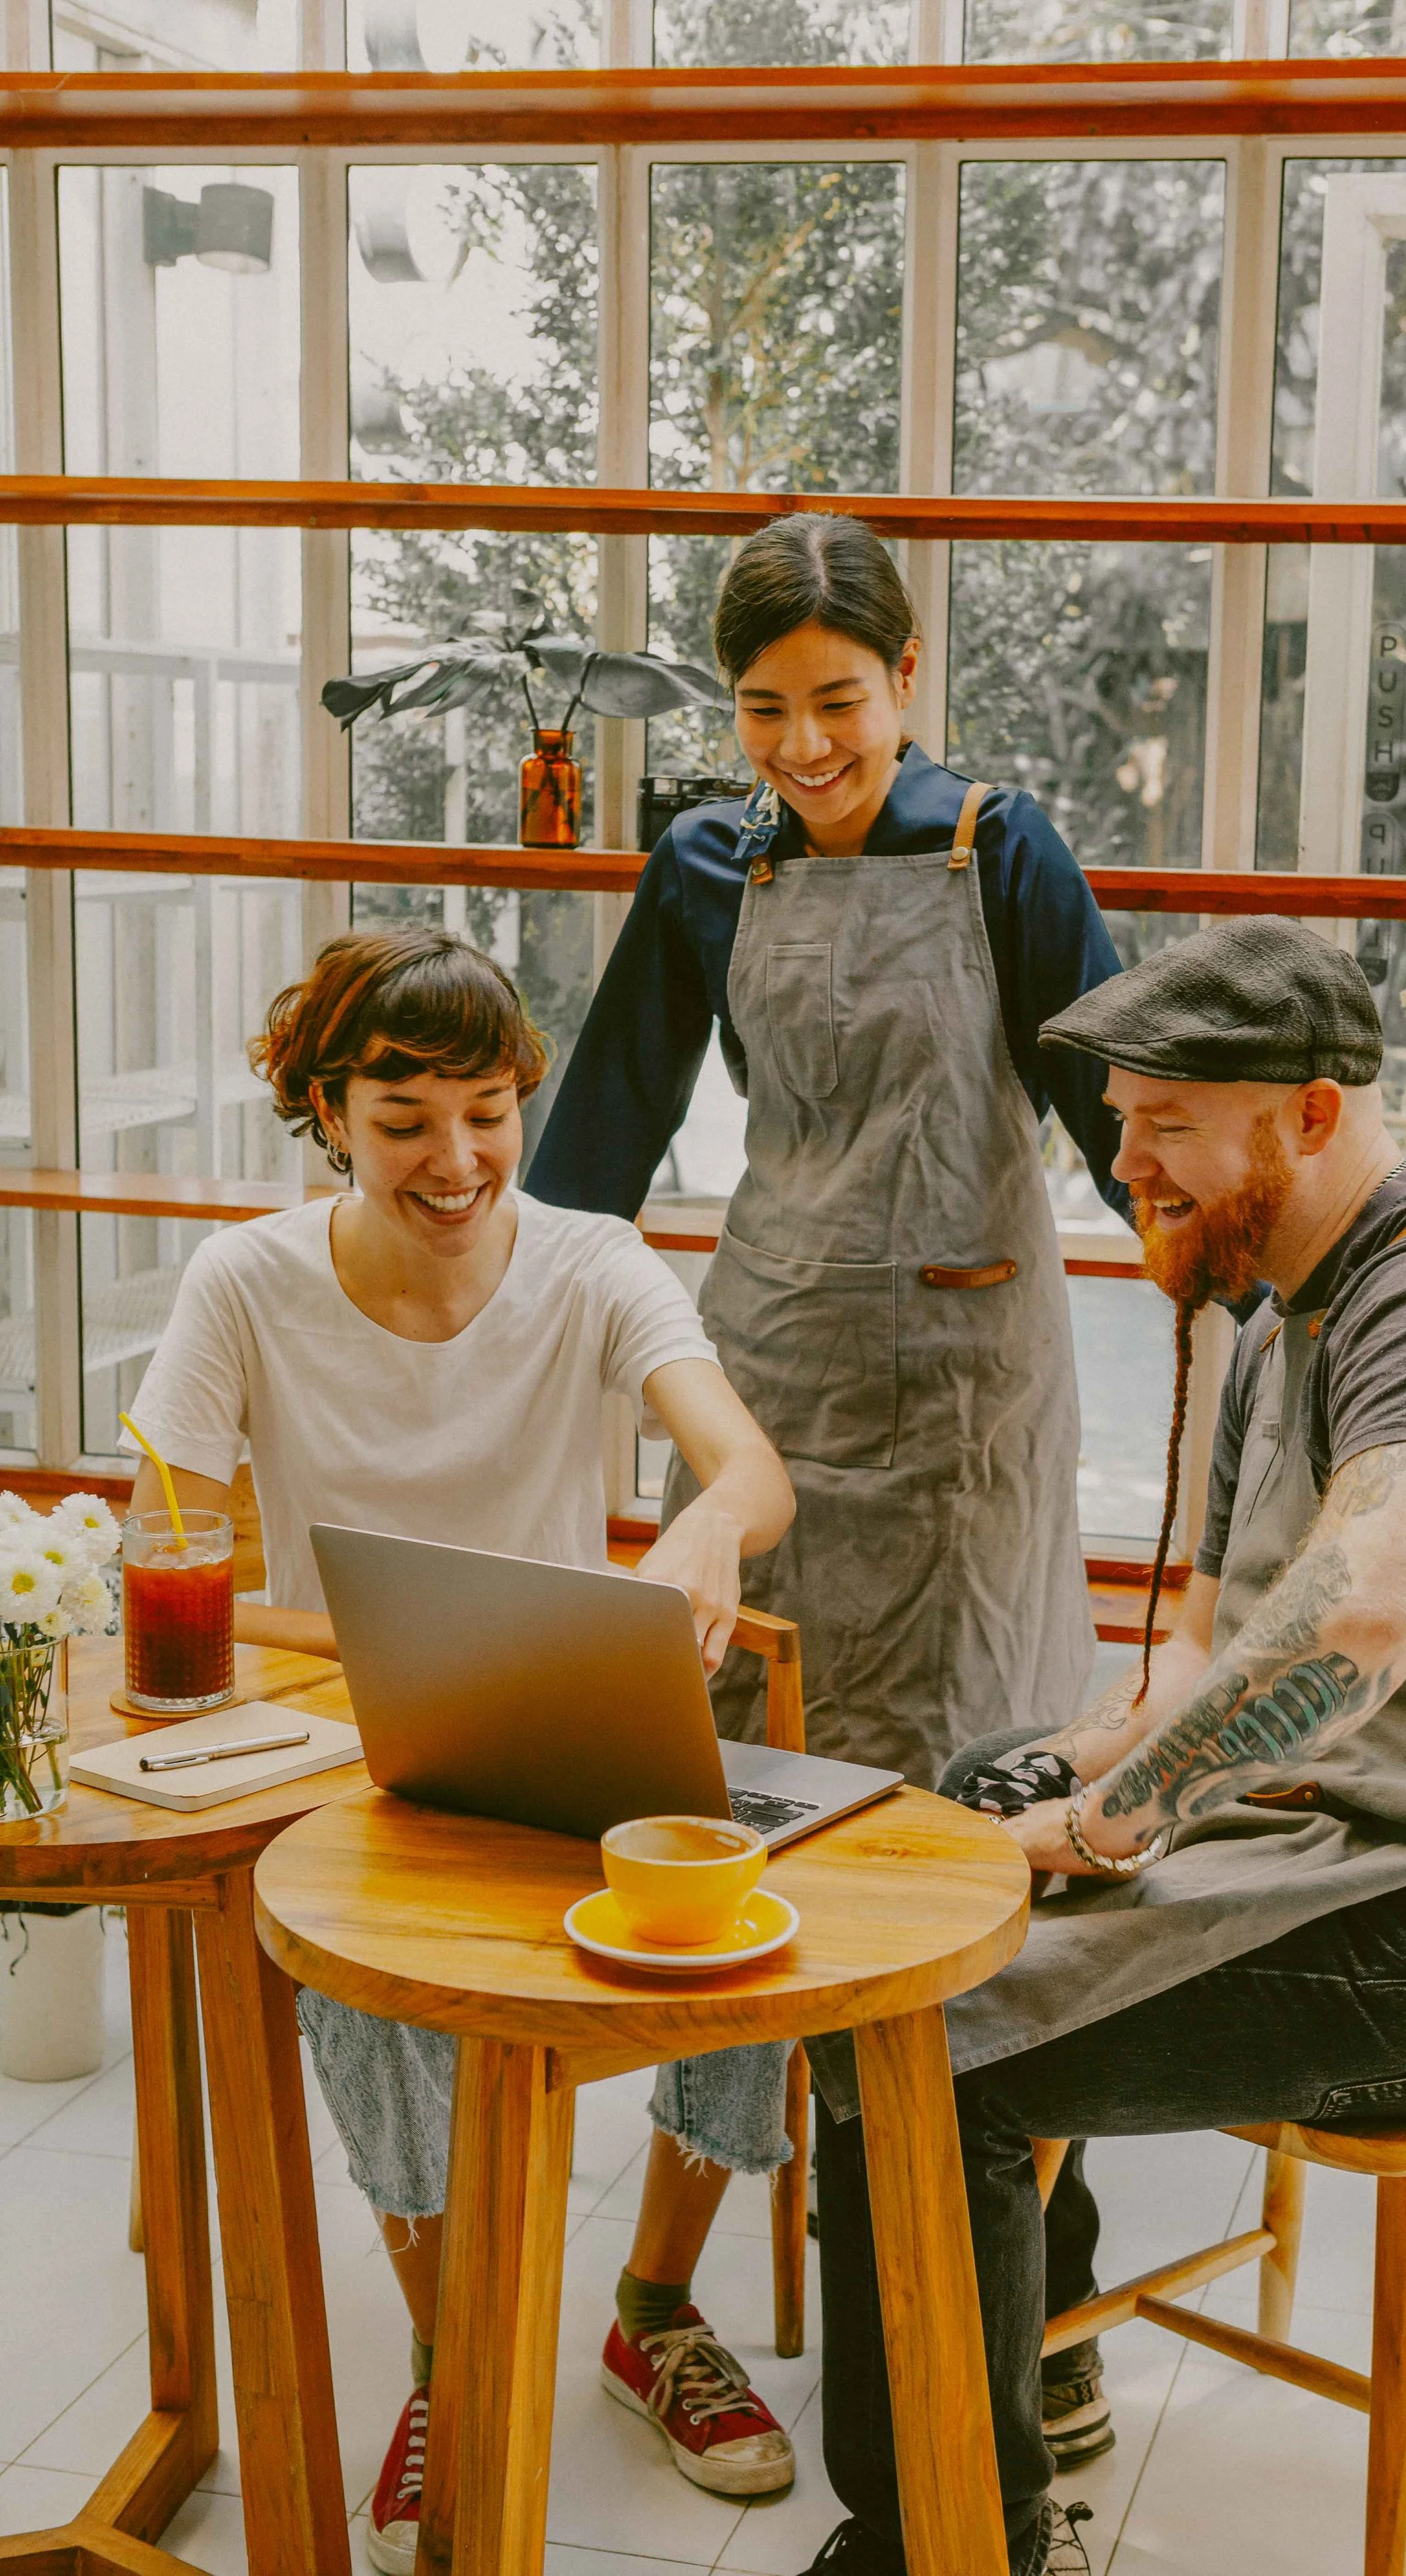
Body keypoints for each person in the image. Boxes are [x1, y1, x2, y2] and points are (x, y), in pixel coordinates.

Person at [797, 914, 1406, 2576]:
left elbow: (1357, 1615)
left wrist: (1107, 1825)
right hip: (1374, 1837)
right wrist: (1076, 1763)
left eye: (1165, 1125)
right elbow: (1208, 1626)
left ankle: (950, 2541)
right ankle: (1026, 2358)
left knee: (905, 2038)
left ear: (1306, 1112)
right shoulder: (1283, 1298)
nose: (1120, 1162)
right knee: (936, 1826)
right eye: (1121, 1118)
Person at [528, 512, 1132, 2483]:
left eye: (839, 701)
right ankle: (694, 2275)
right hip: (774, 1380)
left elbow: (1126, 1126)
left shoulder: (1001, 848)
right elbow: (601, 1130)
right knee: (753, 1824)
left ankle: (1026, 2270)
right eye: (765, 708)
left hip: (971, 1407)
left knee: (980, 1818)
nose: (803, 742)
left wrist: (1280, 1298)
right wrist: (487, 1329)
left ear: (909, 672)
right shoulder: (706, 861)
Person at [118, 925, 797, 2575]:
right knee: (373, 2002)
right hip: (354, 1753)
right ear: (325, 1109)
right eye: (405, 1114)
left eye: (486, 1111)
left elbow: (751, 1474)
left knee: (757, 1925)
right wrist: (363, 1652)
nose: (455, 1158)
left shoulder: (590, 1259)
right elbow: (164, 1554)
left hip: (574, 1732)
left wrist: (705, 1536)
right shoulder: (249, 1280)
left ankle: (653, 2312)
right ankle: (449, 2342)